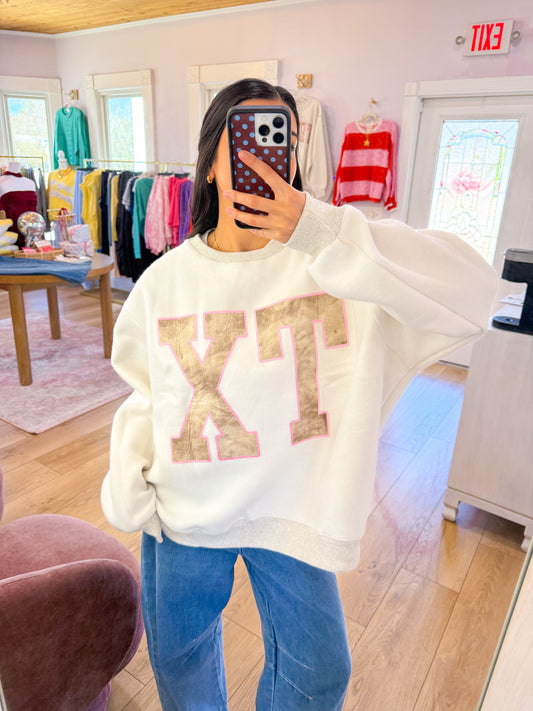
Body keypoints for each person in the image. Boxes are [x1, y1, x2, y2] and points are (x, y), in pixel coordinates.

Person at [101, 78, 498, 711]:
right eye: (246, 139)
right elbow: (148, 392)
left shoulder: (338, 263)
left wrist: (323, 230)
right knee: (178, 658)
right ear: (210, 164)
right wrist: (131, 475)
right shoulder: (164, 281)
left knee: (320, 674)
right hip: (183, 513)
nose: (264, 156)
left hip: (295, 513)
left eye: (279, 140)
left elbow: (477, 292)